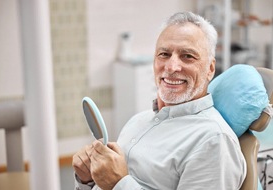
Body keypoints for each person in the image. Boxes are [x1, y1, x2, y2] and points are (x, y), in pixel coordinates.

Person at [72, 11, 246, 190]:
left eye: (187, 56)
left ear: (210, 69)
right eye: (164, 54)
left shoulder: (214, 141)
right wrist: (87, 181)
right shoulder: (138, 121)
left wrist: (119, 184)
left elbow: (116, 183)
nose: (171, 67)